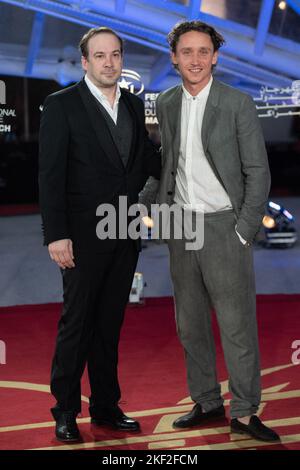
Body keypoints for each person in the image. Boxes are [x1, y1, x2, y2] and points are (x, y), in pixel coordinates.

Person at [139, 20, 279, 442]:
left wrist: (243, 230)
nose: (195, 59)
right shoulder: (164, 102)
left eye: (203, 51)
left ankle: (244, 411)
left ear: (215, 56)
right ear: (174, 58)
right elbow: (166, 164)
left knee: (237, 325)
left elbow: (258, 172)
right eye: (187, 52)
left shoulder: (237, 103)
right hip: (181, 225)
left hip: (224, 226)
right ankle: (205, 400)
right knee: (190, 323)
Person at [39, 26, 160, 442]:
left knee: (110, 325)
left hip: (124, 233)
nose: (109, 62)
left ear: (121, 59)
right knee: (78, 324)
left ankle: (106, 407)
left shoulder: (132, 102)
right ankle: (66, 410)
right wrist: (56, 235)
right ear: (86, 62)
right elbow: (50, 176)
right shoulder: (62, 105)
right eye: (100, 56)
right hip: (80, 237)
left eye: (116, 55)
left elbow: (143, 160)